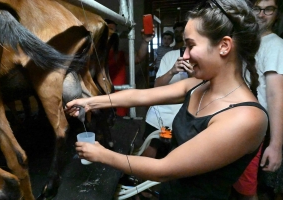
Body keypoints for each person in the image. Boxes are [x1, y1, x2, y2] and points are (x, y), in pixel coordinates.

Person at [65, 0, 268, 199]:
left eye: (190, 45)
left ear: (224, 46)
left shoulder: (246, 118)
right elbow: (142, 95)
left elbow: (164, 169)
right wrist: (90, 102)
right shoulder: (198, 85)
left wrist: (101, 155)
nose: (185, 55)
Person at [233, 0, 283, 199]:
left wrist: (276, 145)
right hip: (237, 122)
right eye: (257, 8)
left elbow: (276, 94)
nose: (262, 14)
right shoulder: (247, 42)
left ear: (276, 14)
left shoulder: (276, 45)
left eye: (268, 9)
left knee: (247, 190)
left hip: (253, 127)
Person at [142, 21, 189, 159]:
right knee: (153, 148)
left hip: (185, 117)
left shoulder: (205, 59)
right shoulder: (170, 56)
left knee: (177, 155)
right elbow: (157, 85)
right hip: (163, 115)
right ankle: (141, 177)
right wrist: (172, 71)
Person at [105, 19, 154, 116]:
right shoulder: (93, 55)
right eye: (109, 30)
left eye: (114, 31)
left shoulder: (119, 55)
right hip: (101, 99)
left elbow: (138, 58)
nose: (112, 34)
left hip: (119, 101)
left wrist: (145, 41)